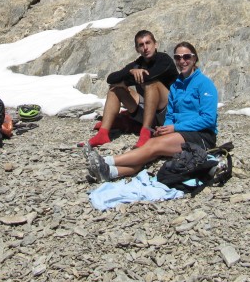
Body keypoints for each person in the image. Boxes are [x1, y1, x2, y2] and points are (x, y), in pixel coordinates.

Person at [86, 41, 218, 181]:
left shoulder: (204, 84)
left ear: (194, 58)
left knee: (153, 145)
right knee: (149, 150)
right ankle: (110, 172)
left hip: (201, 136)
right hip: (179, 131)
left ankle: (106, 161)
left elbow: (208, 119)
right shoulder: (176, 86)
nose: (182, 61)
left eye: (186, 57)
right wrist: (165, 127)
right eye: (178, 58)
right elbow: (171, 114)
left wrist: (175, 127)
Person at [88, 30, 178, 148]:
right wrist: (130, 71)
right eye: (141, 45)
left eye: (148, 43)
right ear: (137, 49)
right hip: (147, 111)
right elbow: (111, 78)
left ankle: (146, 132)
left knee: (152, 84)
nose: (145, 48)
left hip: (169, 113)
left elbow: (149, 76)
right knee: (115, 88)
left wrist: (128, 78)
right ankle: (103, 134)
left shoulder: (164, 60)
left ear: (155, 44)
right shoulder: (137, 64)